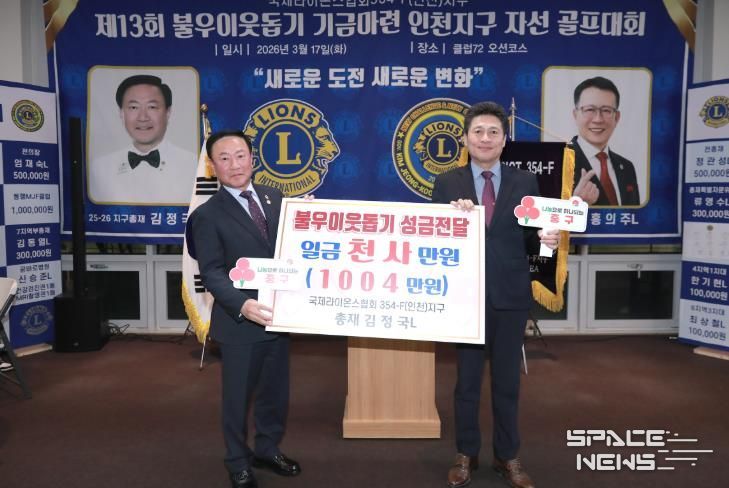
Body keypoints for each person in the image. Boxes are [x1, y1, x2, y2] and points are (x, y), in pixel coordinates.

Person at [431, 102, 559, 488]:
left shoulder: (525, 182)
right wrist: (453, 220)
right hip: (465, 297)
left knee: (507, 383)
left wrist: (547, 241)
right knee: (467, 383)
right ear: (465, 139)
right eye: (478, 132)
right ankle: (466, 454)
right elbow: (433, 241)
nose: (485, 139)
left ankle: (507, 456)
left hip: (510, 295)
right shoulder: (447, 183)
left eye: (493, 132)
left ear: (504, 141)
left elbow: (533, 241)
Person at [190, 131, 301, 488]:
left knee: (274, 394)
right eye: (224, 158)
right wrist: (242, 304)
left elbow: (291, 245)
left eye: (240, 155)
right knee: (237, 399)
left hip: (277, 317)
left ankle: (268, 449)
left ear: (253, 158)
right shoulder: (207, 215)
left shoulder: (275, 197)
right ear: (212, 166)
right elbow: (211, 272)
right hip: (239, 322)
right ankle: (237, 461)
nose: (234, 165)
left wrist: (308, 218)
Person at [88, 74, 196, 205]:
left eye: (152, 107)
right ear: (122, 113)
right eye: (134, 107)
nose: (143, 117)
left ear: (168, 112)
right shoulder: (100, 167)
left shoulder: (194, 165)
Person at [571, 76, 640, 206]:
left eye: (606, 110)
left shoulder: (627, 167)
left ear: (617, 117)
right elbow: (542, 215)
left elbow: (634, 215)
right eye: (590, 110)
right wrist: (575, 205)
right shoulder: (558, 161)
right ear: (575, 115)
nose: (598, 119)